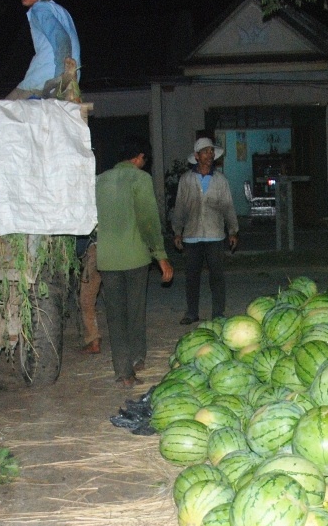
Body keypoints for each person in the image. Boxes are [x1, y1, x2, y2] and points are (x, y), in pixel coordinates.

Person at [95, 137, 173, 387]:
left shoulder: (100, 180)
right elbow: (149, 220)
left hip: (107, 258)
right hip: (135, 256)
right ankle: (137, 358)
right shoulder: (140, 179)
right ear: (139, 157)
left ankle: (123, 371)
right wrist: (161, 257)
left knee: (115, 316)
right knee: (135, 311)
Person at [171, 137, 239, 325]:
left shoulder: (220, 180)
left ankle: (218, 312)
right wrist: (177, 231)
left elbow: (228, 207)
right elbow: (180, 208)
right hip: (192, 236)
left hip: (215, 234)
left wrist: (233, 230)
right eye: (206, 151)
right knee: (192, 277)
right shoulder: (186, 180)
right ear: (197, 156)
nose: (210, 155)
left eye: (211, 151)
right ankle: (192, 312)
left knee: (217, 276)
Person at [9, 0, 81, 100]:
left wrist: (60, 82)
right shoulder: (62, 11)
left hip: (42, 82)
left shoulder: (40, 8)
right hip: (71, 80)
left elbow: (62, 39)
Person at [76, 232, 102, 354]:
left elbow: (79, 248)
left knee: (87, 300)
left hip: (94, 251)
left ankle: (93, 341)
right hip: (110, 251)